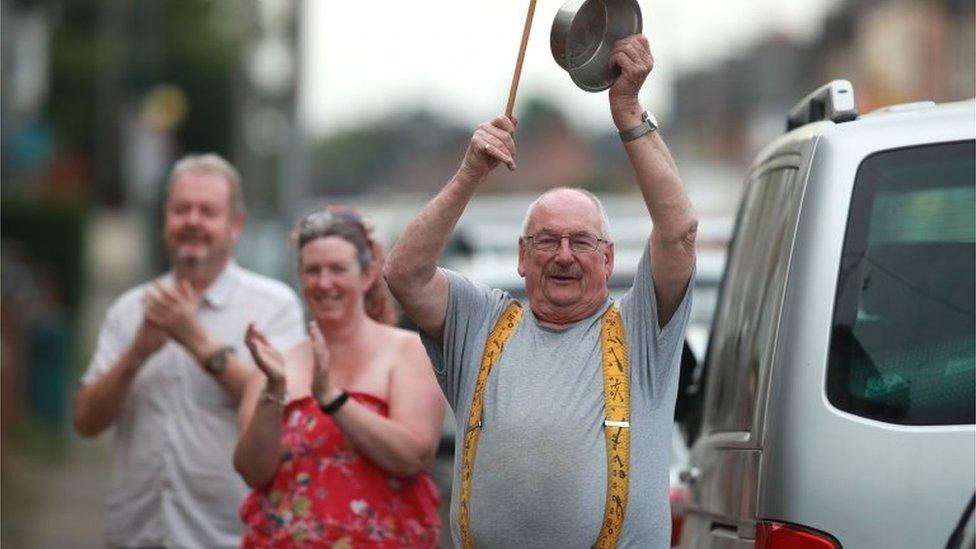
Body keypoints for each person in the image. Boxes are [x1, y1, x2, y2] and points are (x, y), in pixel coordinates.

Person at [384, 35, 697, 548]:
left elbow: (679, 232)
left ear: (610, 258)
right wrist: (470, 173)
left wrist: (629, 113)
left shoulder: (643, 331)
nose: (564, 255)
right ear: (522, 256)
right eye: (547, 240)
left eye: (582, 242)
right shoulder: (479, 323)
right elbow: (405, 273)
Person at [73, 154, 305, 548]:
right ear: (166, 218)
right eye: (182, 209)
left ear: (235, 226)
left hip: (233, 537)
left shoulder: (274, 306)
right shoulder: (130, 309)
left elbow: (290, 410)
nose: (193, 221)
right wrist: (136, 356)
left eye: (208, 211)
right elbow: (85, 422)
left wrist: (197, 341)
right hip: (137, 533)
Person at [234, 206, 446, 547]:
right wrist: (274, 391)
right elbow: (252, 471)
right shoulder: (276, 363)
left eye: (337, 269)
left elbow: (412, 457)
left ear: (367, 274)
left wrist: (332, 398)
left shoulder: (406, 352)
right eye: (312, 270)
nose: (324, 283)